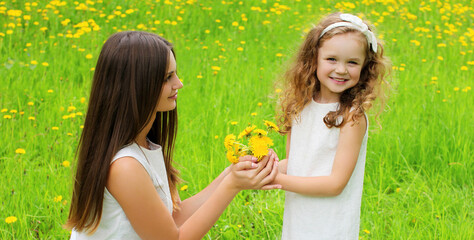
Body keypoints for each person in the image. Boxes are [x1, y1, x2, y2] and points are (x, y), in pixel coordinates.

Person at [65, 31, 281, 240]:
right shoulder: (125, 167)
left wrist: (230, 174)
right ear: (138, 85)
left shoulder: (142, 145)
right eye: (168, 77)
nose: (179, 84)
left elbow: (168, 221)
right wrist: (232, 184)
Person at [274, 13, 390, 239]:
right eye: (332, 59)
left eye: (352, 62)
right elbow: (296, 163)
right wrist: (269, 168)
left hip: (330, 223)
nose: (341, 70)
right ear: (313, 58)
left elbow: (336, 184)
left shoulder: (351, 117)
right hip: (300, 215)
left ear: (365, 67)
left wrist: (276, 181)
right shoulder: (300, 105)